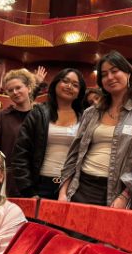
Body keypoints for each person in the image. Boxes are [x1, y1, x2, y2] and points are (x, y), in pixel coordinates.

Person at [59, 52, 132, 207]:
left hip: (119, 191)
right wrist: (63, 192)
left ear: (128, 73)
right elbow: (74, 154)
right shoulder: (91, 113)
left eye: (114, 71)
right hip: (82, 187)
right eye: (104, 74)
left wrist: (125, 196)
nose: (110, 77)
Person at [12, 68, 87, 199]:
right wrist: (28, 189)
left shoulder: (85, 117)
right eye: (65, 81)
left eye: (75, 85)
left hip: (74, 186)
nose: (69, 86)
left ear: (79, 92)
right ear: (55, 84)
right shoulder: (38, 113)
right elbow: (20, 152)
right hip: (40, 185)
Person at [0, 69, 37, 197]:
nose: (15, 92)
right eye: (10, 90)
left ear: (29, 88)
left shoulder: (42, 114)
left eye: (18, 87)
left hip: (38, 181)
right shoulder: (1, 117)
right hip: (10, 182)